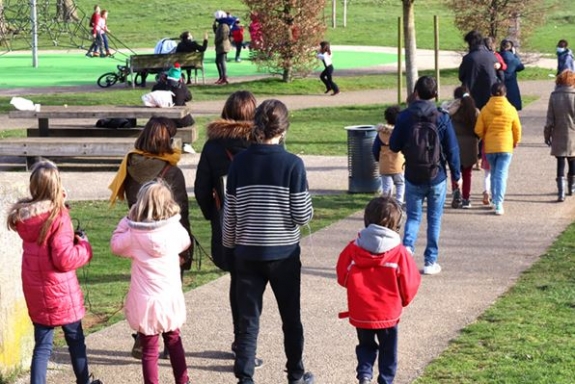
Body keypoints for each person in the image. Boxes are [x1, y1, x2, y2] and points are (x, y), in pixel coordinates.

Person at [223, 99, 315, 384]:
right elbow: (302, 215)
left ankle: (245, 377)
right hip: (283, 253)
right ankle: (296, 373)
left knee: (248, 322)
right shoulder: (292, 164)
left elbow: (231, 212)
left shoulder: (239, 162)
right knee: (291, 318)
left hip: (247, 252)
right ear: (284, 130)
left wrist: (229, 247)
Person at [6, 160, 102, 384]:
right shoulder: (59, 217)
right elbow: (64, 259)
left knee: (42, 346)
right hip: (60, 292)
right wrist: (84, 247)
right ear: (57, 186)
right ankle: (84, 381)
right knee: (75, 339)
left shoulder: (25, 217)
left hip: (36, 290)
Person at [193, 90, 263, 368]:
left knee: (239, 282)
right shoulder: (261, 143)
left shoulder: (213, 146)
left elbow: (201, 187)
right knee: (255, 285)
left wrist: (214, 214)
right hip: (258, 223)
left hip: (227, 222)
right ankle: (247, 345)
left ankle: (240, 340)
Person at [110, 180, 191, 384]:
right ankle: (183, 381)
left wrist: (127, 219)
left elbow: (115, 245)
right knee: (174, 341)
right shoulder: (174, 230)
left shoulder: (134, 236)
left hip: (146, 303)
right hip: (169, 298)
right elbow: (186, 241)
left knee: (149, 349)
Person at [336, 196, 421, 384]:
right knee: (388, 351)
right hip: (388, 312)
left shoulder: (353, 248)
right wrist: (404, 300)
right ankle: (385, 380)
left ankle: (365, 375)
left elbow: (342, 275)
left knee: (365, 345)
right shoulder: (399, 253)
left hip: (362, 310)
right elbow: (410, 282)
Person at [389, 76, 461, 275]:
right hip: (436, 174)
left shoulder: (404, 117)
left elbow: (394, 145)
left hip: (412, 173)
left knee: (413, 216)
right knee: (434, 219)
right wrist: (456, 175)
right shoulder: (441, 117)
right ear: (435, 94)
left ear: (416, 92)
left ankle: (407, 250)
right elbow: (452, 148)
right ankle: (430, 260)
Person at [108, 116, 193, 275]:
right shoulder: (172, 172)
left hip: (139, 238)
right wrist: (185, 252)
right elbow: (182, 214)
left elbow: (132, 204)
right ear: (167, 141)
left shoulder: (130, 164)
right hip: (167, 242)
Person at [474, 83, 522, 216]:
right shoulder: (511, 109)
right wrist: (515, 140)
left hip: (490, 146)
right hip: (506, 145)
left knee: (494, 173)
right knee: (501, 174)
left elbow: (478, 129)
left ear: (491, 93)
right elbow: (517, 128)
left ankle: (495, 200)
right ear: (505, 94)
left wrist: (485, 136)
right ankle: (498, 203)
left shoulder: (485, 109)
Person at [441, 86, 479, 209]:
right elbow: (479, 130)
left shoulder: (451, 111)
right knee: (467, 173)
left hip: (454, 144)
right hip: (470, 146)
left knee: (455, 172)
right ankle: (466, 199)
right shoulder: (474, 111)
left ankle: (456, 194)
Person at [544, 70, 575, 202]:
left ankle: (560, 192)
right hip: (573, 132)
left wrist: (547, 135)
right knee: (573, 160)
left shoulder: (554, 96)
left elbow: (550, 118)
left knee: (560, 161)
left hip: (558, 132)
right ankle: (571, 187)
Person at [372, 105, 405, 203]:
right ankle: (399, 202)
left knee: (386, 186)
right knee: (400, 183)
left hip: (385, 165)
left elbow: (375, 149)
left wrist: (378, 159)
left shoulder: (380, 134)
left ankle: (385, 202)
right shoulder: (400, 133)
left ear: (386, 118)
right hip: (399, 165)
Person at [459, 30, 498, 109]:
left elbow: (461, 76)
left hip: (473, 94)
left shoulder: (468, 58)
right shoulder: (491, 56)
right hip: (489, 93)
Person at [151, 63, 195, 129]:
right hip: (180, 121)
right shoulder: (181, 87)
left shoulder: (159, 86)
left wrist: (161, 82)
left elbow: (153, 94)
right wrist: (183, 84)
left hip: (161, 120)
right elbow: (188, 97)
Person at [499, 39, 525, 111]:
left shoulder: (498, 56)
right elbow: (521, 67)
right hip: (512, 83)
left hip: (500, 83)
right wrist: (515, 55)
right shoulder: (513, 58)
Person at [214, 10, 232, 85]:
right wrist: (214, 26)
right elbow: (216, 32)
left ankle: (224, 77)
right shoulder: (221, 25)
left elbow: (223, 36)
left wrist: (217, 41)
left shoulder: (224, 25)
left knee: (221, 61)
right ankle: (221, 77)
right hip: (220, 46)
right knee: (218, 61)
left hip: (223, 45)